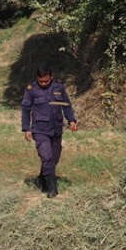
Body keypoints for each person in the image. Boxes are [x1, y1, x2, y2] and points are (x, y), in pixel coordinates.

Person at [21, 65, 77, 198]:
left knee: (54, 159)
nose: (44, 84)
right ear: (37, 78)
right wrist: (26, 129)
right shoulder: (31, 89)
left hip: (57, 128)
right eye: (41, 81)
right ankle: (52, 189)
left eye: (46, 81)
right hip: (40, 130)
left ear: (51, 77)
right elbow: (25, 109)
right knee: (47, 157)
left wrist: (71, 120)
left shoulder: (59, 87)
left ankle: (42, 177)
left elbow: (66, 105)